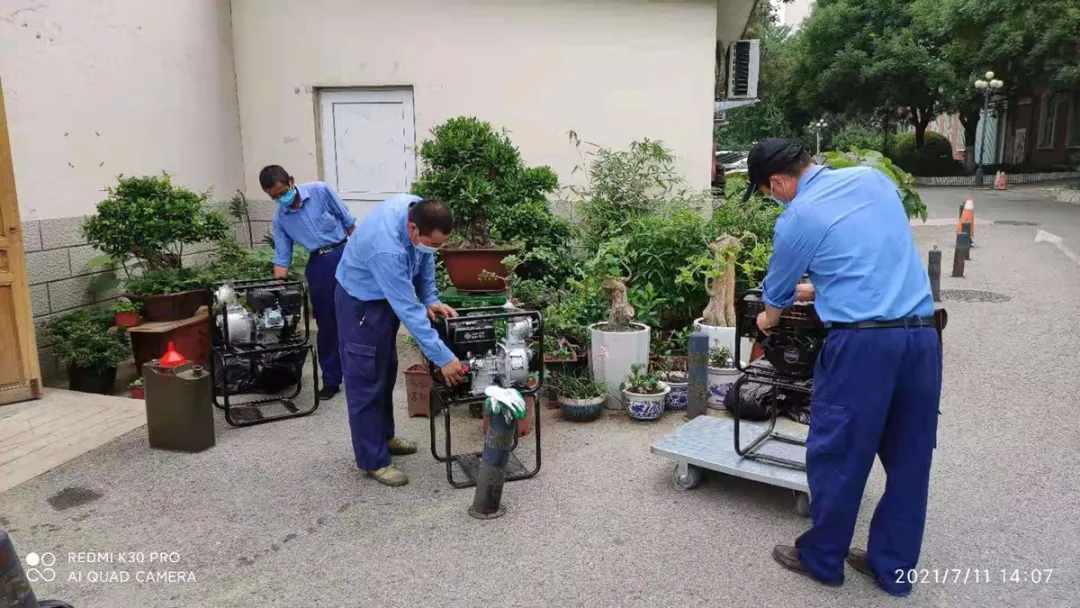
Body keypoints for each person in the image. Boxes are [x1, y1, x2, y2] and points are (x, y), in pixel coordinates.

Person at [743, 139, 941, 598]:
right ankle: (893, 568)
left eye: (769, 193)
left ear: (778, 183)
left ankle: (823, 557)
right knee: (910, 459)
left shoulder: (797, 217)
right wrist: (824, 285)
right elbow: (875, 250)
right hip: (923, 338)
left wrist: (767, 319)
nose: (774, 200)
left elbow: (776, 295)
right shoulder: (873, 179)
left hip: (862, 347)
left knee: (838, 453)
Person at [334, 194, 466, 487]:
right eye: (432, 243)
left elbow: (425, 257)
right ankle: (373, 460)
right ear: (412, 228)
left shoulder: (418, 209)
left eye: (440, 244)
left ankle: (385, 437)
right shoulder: (388, 249)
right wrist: (443, 357)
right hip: (361, 302)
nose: (434, 249)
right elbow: (408, 309)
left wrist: (430, 298)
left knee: (385, 369)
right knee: (365, 376)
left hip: (384, 295)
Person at [260, 165, 356, 401]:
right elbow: (282, 257)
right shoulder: (281, 219)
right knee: (326, 323)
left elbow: (349, 223)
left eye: (283, 192)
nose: (281, 199)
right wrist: (278, 289)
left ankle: (362, 375)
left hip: (345, 253)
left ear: (291, 181)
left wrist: (363, 257)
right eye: (274, 197)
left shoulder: (320, 191)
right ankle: (331, 380)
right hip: (319, 264)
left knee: (357, 315)